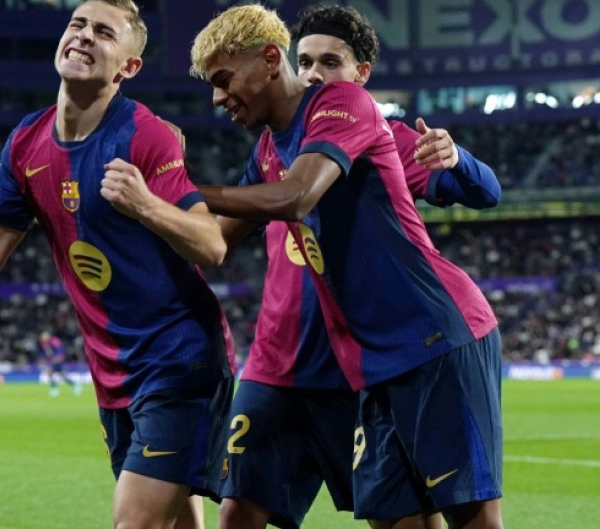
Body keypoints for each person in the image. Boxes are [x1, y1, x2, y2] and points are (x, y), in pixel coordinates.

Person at [0, 1, 236, 528]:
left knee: (136, 521)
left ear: (128, 68)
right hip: (114, 370)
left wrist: (145, 203)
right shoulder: (25, 144)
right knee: (174, 522)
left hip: (179, 359)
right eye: (77, 24)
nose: (83, 36)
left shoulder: (143, 135)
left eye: (103, 32)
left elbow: (212, 244)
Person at [190, 5, 503, 529]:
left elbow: (483, 191)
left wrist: (458, 159)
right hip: (357, 360)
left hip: (428, 339)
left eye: (329, 62)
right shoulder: (269, 148)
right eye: (306, 60)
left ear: (360, 75)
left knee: (467, 515)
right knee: (388, 516)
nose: (314, 74)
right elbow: (214, 240)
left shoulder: (359, 115)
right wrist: (139, 208)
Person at [38, 331, 83, 397]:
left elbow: (60, 349)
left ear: (47, 335)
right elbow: (46, 353)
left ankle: (55, 389)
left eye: (44, 336)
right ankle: (74, 385)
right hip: (53, 360)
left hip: (58, 360)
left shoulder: (54, 341)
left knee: (50, 373)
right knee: (62, 375)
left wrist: (59, 357)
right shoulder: (44, 344)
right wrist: (44, 359)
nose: (43, 338)